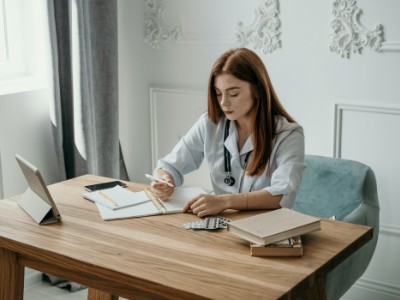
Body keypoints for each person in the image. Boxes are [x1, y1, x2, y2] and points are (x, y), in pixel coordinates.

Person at [150, 47, 305, 217]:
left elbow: (283, 195)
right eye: (218, 94)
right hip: (222, 225)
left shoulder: (288, 135)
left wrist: (225, 201)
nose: (224, 103)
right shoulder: (210, 123)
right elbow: (168, 166)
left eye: (233, 93)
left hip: (265, 229)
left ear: (257, 90)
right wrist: (164, 180)